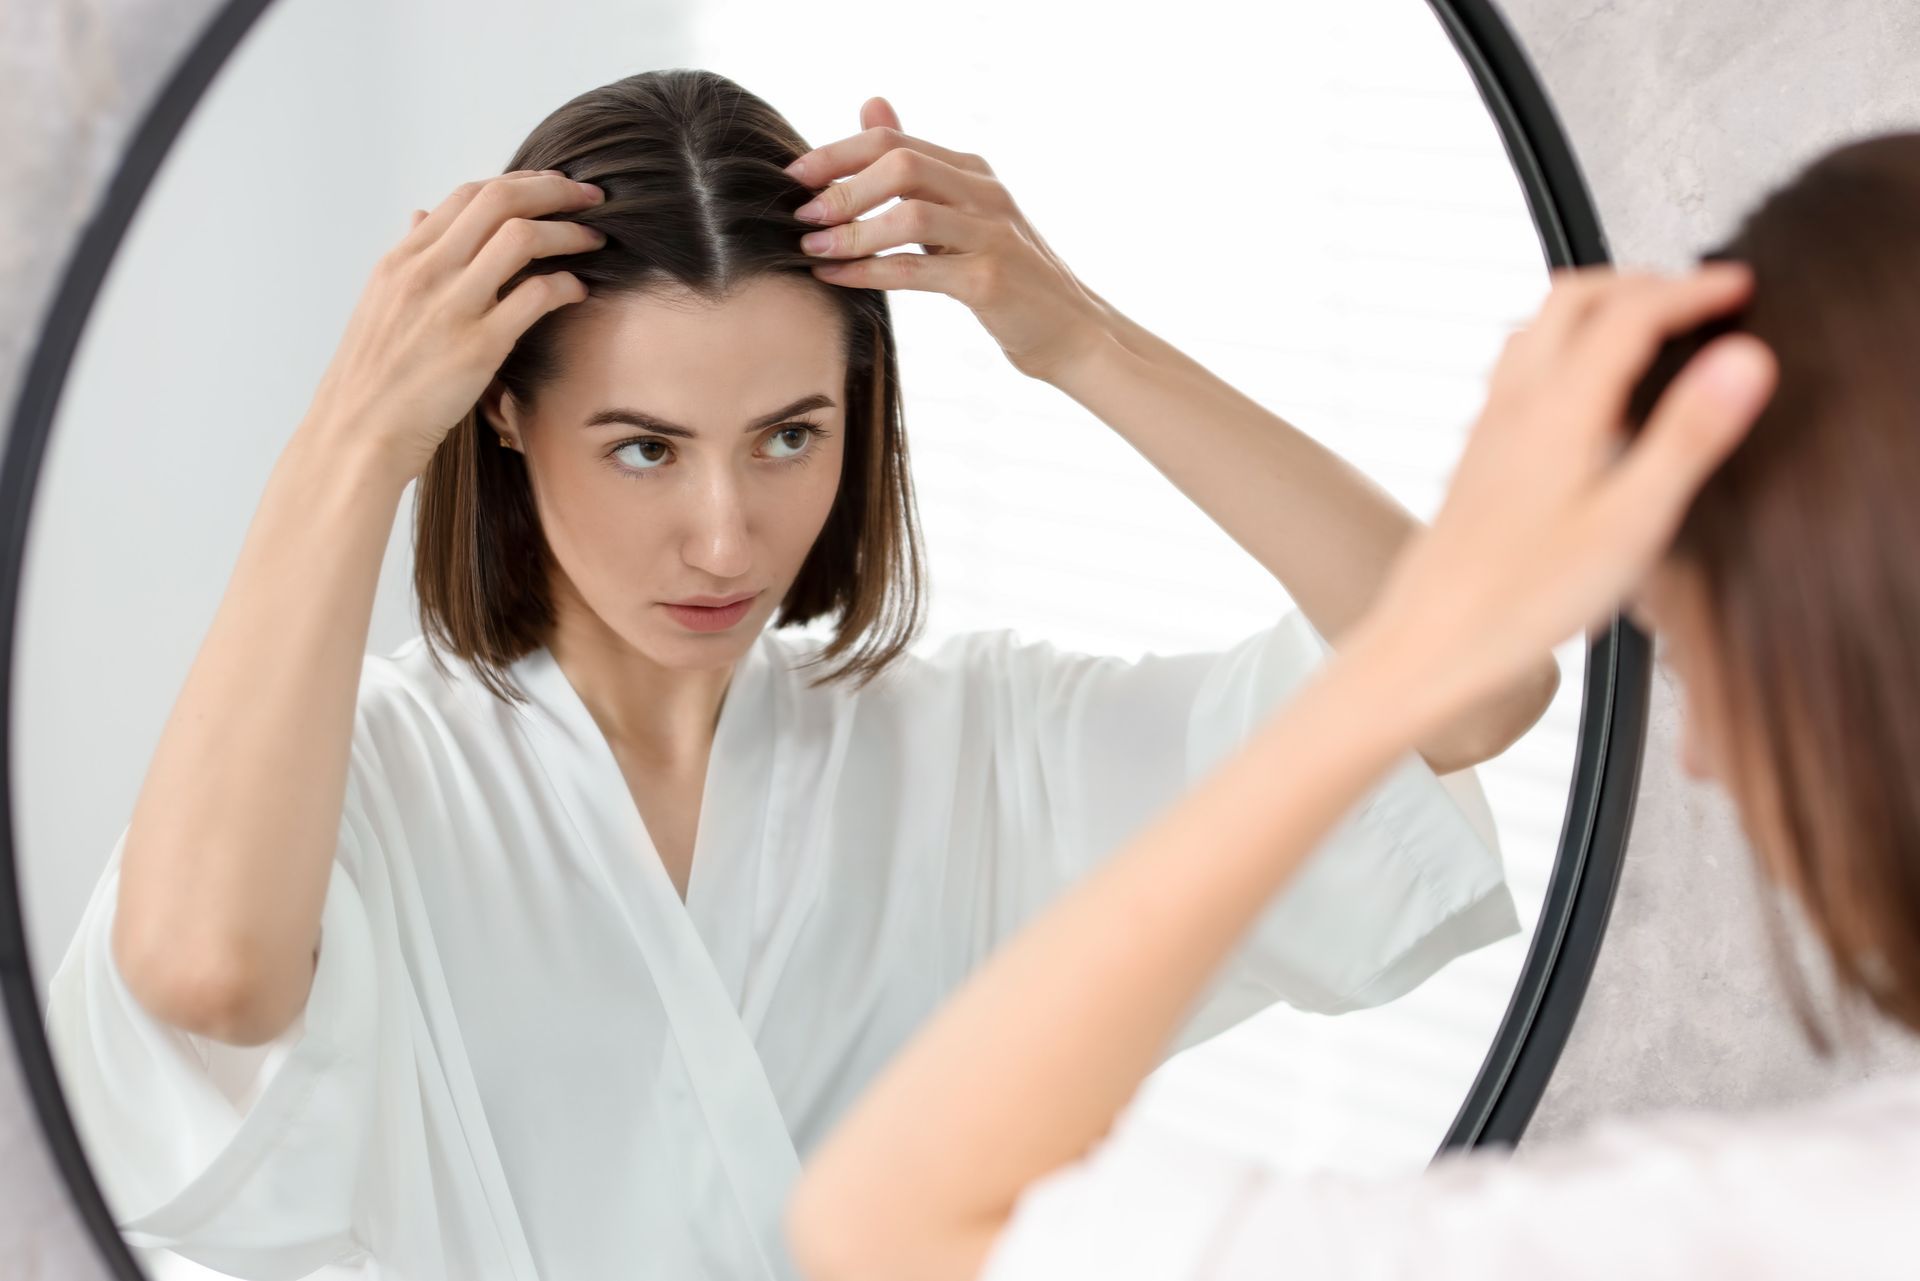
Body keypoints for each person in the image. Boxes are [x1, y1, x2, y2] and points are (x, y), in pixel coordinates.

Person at [38, 70, 1555, 1281]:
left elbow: (1472, 679)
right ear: (502, 417)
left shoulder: (982, 752)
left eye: (790, 434)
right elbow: (208, 975)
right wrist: (359, 432)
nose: (725, 535)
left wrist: (1078, 338)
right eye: (644, 447)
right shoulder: (377, 773)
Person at [783, 130, 1920, 1281]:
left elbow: (890, 1226)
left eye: (1693, 658)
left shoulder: (1797, 1222)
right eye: (641, 447)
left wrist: (1089, 342)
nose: (1704, 759)